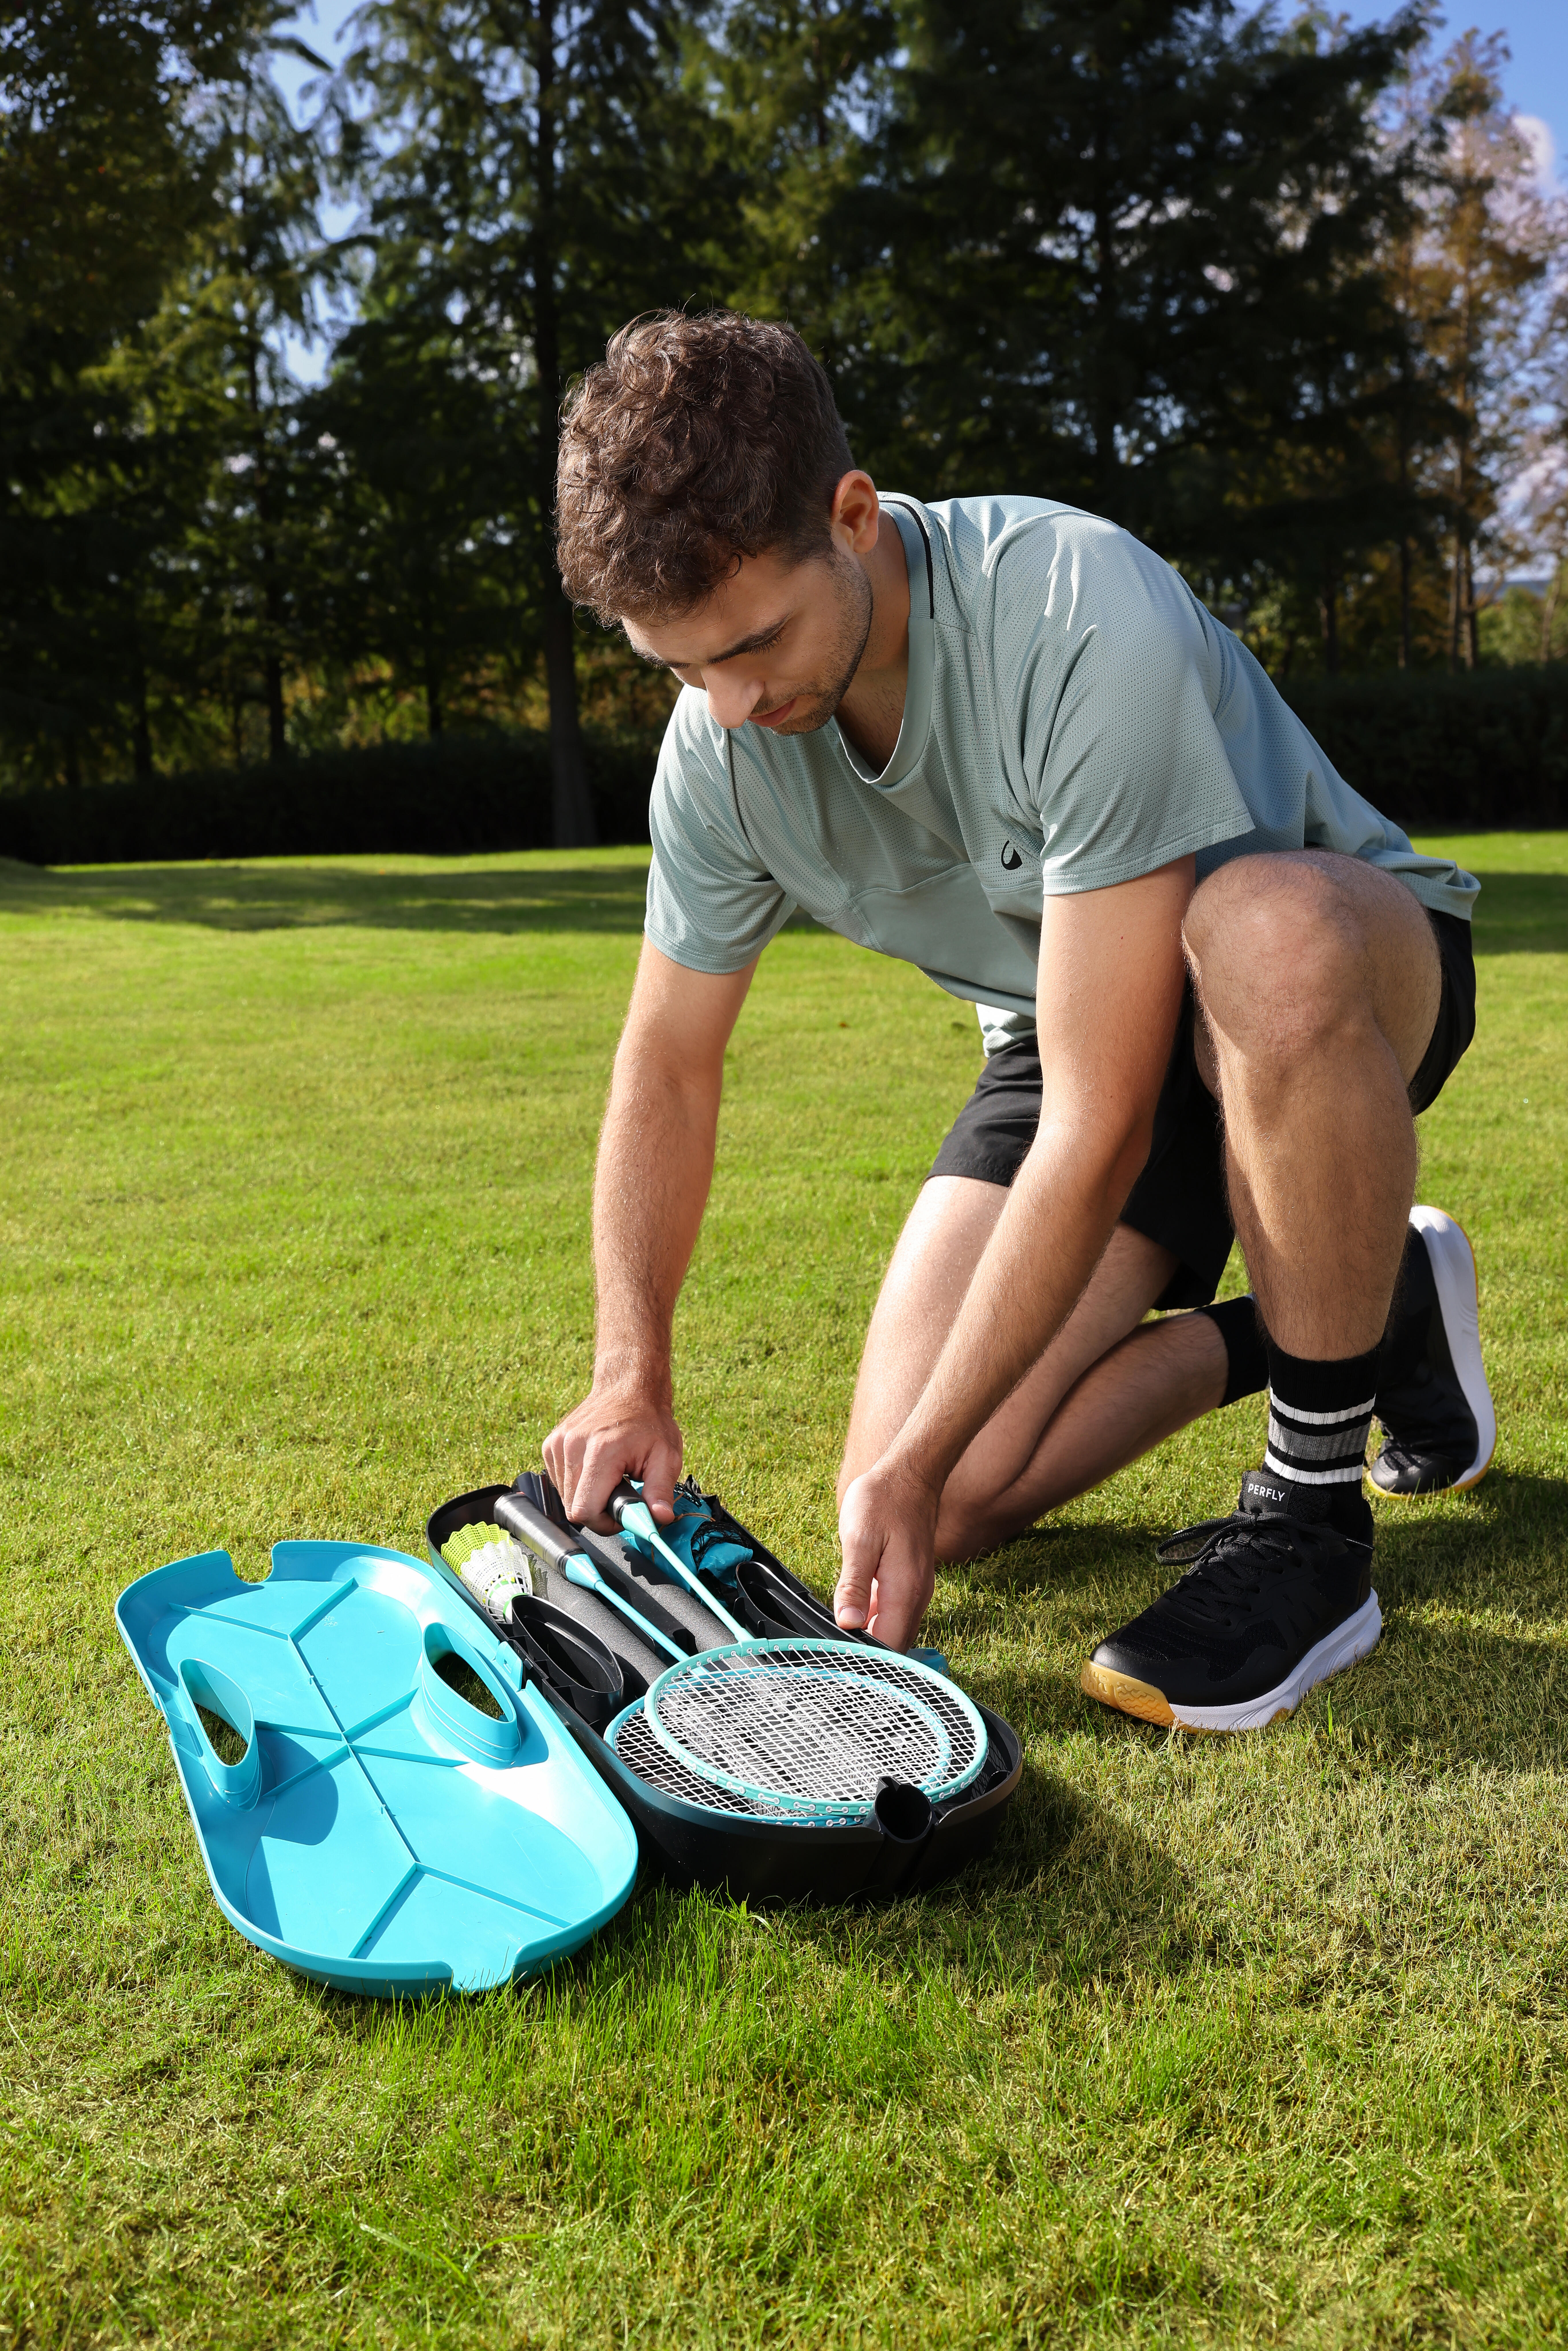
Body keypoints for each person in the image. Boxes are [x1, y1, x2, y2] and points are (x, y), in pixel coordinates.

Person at [542, 309, 1495, 1734]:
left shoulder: (1066, 605)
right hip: (1065, 1027)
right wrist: (635, 1370)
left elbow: (1103, 1121)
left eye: (750, 644)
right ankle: (1377, 1314)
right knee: (959, 1488)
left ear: (852, 517)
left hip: (1323, 968)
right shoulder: (723, 751)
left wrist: (911, 1463)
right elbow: (668, 1064)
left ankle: (1310, 1514)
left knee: (1261, 935)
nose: (730, 707)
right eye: (678, 668)